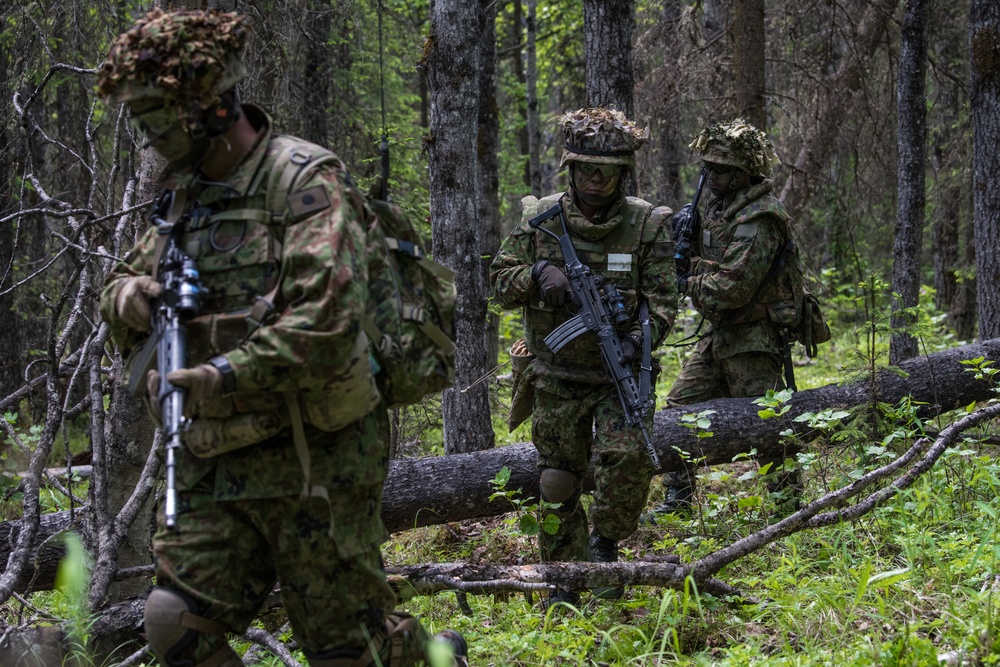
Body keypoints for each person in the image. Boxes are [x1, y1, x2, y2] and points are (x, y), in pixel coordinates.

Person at [96, 9, 466, 667]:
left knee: (343, 648)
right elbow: (125, 279)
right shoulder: (185, 196)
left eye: (158, 117)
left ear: (208, 107)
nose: (150, 137)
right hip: (215, 458)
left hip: (316, 452)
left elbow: (324, 324)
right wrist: (127, 296)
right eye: (142, 120)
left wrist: (221, 376)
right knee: (173, 620)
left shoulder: (301, 180)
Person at [490, 107, 677, 606]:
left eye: (608, 171)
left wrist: (642, 338)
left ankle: (604, 549)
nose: (597, 180)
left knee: (630, 457)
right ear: (571, 169)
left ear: (623, 174)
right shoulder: (540, 220)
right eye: (588, 169)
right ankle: (562, 580)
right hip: (556, 371)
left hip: (619, 373)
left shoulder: (647, 224)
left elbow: (663, 300)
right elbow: (498, 282)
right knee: (557, 479)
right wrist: (537, 277)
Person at [653, 118, 802, 518]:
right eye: (707, 168)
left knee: (768, 425)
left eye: (719, 169)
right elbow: (716, 269)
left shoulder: (760, 217)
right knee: (679, 411)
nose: (710, 177)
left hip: (753, 338)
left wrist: (686, 276)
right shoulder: (721, 209)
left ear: (741, 173)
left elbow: (734, 286)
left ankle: (790, 509)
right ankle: (678, 500)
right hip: (722, 334)